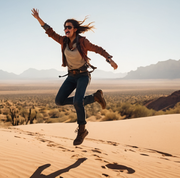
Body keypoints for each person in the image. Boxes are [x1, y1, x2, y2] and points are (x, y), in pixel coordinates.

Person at [31, 8, 118, 146]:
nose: (66, 29)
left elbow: (98, 49)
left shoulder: (83, 42)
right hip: (71, 76)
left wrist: (110, 59)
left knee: (78, 102)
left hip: (83, 75)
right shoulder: (63, 41)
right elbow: (50, 32)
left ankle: (82, 130)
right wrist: (38, 19)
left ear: (75, 29)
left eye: (69, 27)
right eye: (65, 27)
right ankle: (94, 98)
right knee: (59, 101)